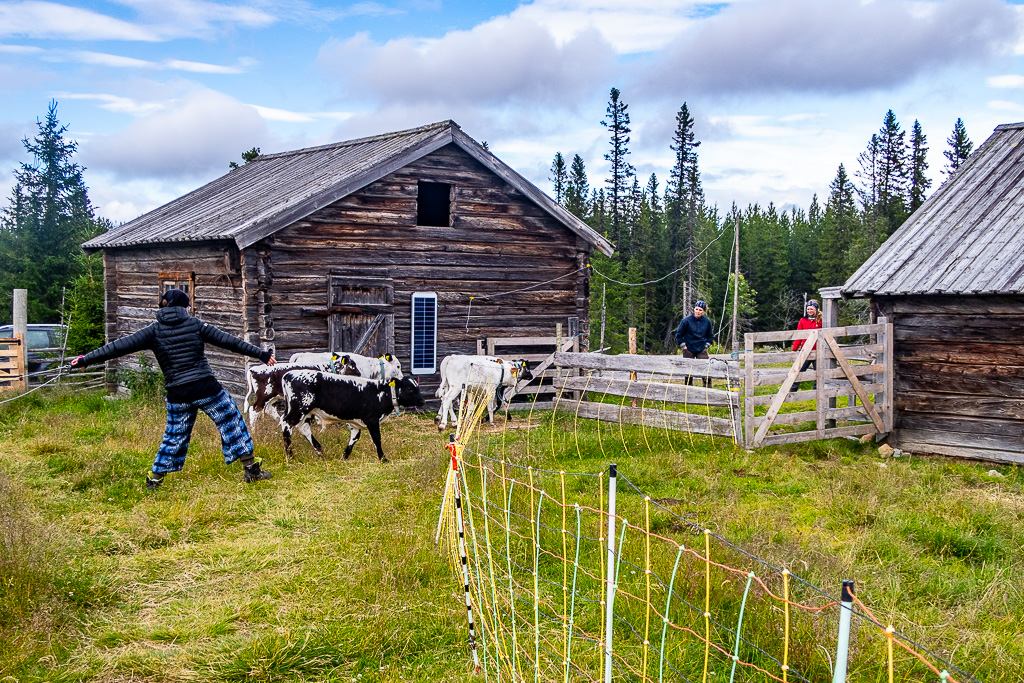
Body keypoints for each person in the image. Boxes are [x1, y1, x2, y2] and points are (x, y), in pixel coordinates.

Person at [70, 289, 277, 490]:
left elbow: (118, 346)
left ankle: (155, 479)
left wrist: (85, 359)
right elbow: (229, 341)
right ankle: (251, 470)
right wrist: (261, 354)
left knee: (174, 435)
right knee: (231, 421)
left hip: (177, 392)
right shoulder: (195, 325)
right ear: (186, 308)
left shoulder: (153, 331)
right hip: (206, 387)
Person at [675, 300, 714, 387]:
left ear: (703, 311)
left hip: (701, 348)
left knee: (705, 368)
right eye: (696, 309)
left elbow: (710, 336)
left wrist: (706, 345)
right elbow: (679, 335)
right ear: (694, 309)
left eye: (700, 310)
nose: (698, 312)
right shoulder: (686, 321)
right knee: (688, 370)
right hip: (689, 348)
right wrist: (683, 346)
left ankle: (708, 388)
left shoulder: (707, 322)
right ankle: (688, 388)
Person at [791, 299, 823, 392]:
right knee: (798, 371)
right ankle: (792, 390)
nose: (809, 311)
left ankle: (817, 391)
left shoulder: (821, 320)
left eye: (811, 309)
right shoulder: (803, 320)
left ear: (816, 309)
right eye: (808, 309)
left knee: (819, 372)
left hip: (817, 350)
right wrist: (794, 349)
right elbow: (798, 335)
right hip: (805, 350)